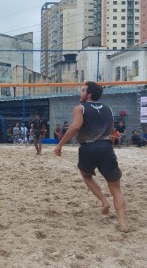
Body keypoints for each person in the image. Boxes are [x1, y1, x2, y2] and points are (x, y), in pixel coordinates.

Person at [54, 81, 128, 233]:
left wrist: (60, 144)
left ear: (89, 95)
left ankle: (103, 201)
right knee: (115, 188)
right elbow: (112, 131)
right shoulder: (108, 108)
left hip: (87, 148)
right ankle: (122, 223)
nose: (80, 93)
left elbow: (75, 127)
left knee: (87, 176)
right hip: (106, 147)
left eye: (82, 91)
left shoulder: (80, 108)